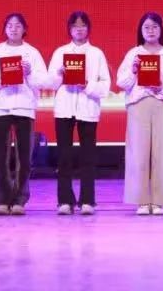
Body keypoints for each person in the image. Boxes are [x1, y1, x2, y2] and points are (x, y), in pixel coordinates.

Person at [0, 13, 48, 216]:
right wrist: (3, 79)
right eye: (10, 25)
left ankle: (19, 200)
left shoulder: (32, 53)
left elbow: (42, 80)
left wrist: (29, 73)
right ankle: (2, 199)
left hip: (24, 107)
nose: (14, 29)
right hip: (0, 107)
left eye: (18, 25)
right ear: (5, 29)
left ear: (24, 29)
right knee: (0, 156)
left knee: (24, 157)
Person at [117, 12, 163, 216]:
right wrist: (133, 71)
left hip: (162, 104)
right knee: (138, 154)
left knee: (162, 154)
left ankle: (158, 201)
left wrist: (162, 88)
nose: (151, 31)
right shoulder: (134, 54)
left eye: (155, 27)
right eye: (146, 27)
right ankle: (141, 200)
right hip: (139, 105)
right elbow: (121, 82)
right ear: (141, 30)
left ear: (160, 30)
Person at [45, 11, 112, 215]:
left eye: (83, 25)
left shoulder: (96, 54)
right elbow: (50, 83)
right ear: (70, 29)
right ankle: (64, 201)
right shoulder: (60, 53)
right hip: (64, 108)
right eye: (75, 26)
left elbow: (105, 86)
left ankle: (87, 201)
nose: (79, 29)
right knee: (64, 156)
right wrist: (59, 74)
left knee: (88, 156)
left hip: (87, 107)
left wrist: (87, 85)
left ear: (88, 28)